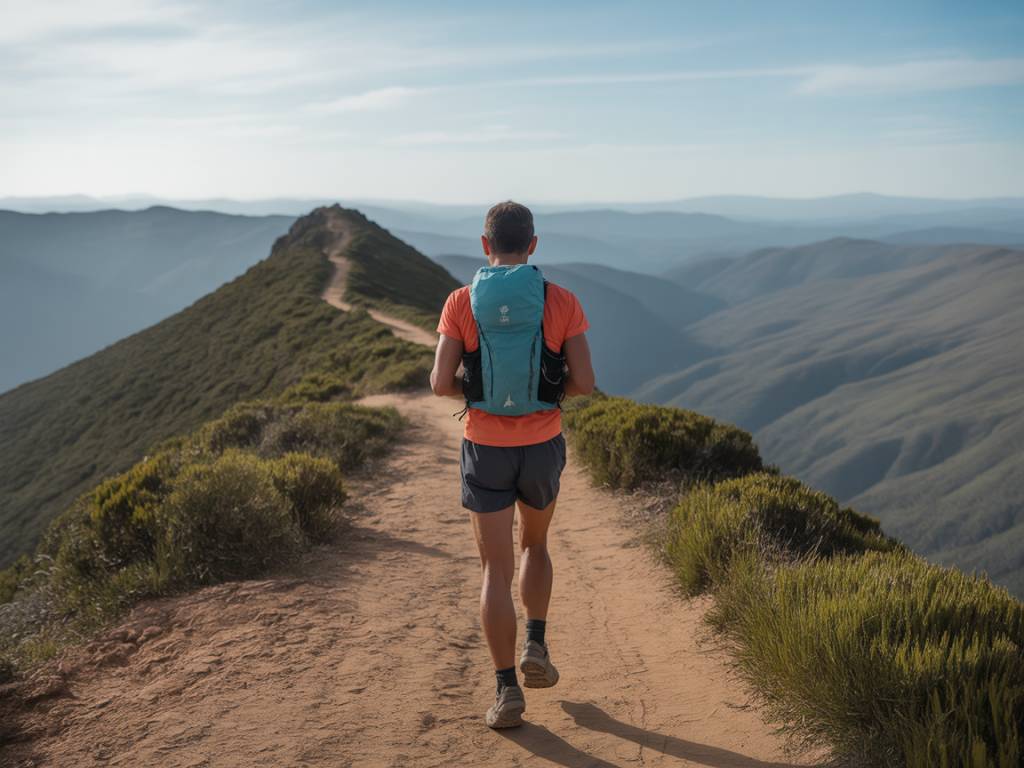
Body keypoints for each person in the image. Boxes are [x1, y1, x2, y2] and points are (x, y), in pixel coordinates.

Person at [430, 200, 595, 729]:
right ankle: (537, 646)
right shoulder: (560, 300)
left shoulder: (461, 301)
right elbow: (585, 382)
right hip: (543, 442)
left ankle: (506, 693)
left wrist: (477, 394)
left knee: (494, 570)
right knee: (536, 545)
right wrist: (544, 396)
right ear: (532, 245)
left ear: (484, 246)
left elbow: (438, 384)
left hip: (485, 446)